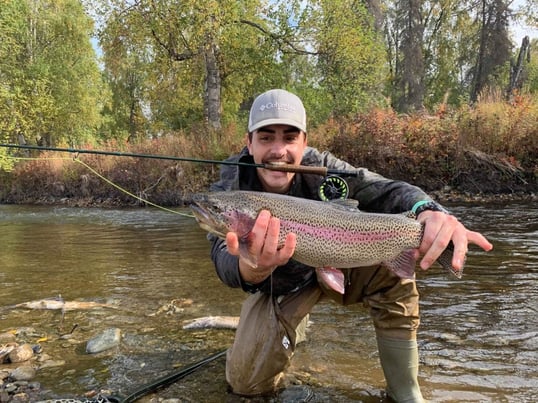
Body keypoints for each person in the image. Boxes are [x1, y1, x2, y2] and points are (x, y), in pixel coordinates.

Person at [207, 89, 493, 402]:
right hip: (280, 285)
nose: (279, 150)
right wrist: (253, 267)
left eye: (289, 138)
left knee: (393, 266)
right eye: (265, 138)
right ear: (249, 143)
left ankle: (405, 390)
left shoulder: (325, 168)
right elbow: (222, 261)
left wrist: (431, 210)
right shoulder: (230, 189)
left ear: (304, 142)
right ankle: (293, 327)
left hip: (341, 254)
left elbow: (389, 191)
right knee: (245, 386)